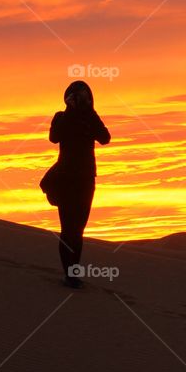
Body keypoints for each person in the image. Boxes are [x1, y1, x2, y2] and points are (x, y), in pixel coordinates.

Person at [49, 80, 111, 288]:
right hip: (66, 179)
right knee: (68, 228)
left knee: (78, 230)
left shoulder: (90, 118)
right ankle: (69, 275)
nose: (80, 100)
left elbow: (105, 138)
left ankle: (74, 273)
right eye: (76, 96)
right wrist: (70, 112)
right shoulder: (61, 117)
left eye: (84, 96)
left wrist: (89, 112)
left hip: (86, 180)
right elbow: (54, 137)